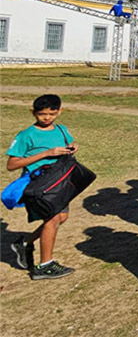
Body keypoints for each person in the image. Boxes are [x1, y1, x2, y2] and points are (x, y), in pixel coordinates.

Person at [6, 94, 79, 280]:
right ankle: (45, 266)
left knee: (61, 217)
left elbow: (67, 144)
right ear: (33, 113)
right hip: (39, 186)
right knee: (52, 220)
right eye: (42, 114)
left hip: (59, 182)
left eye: (52, 113)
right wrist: (46, 153)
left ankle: (24, 242)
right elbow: (12, 164)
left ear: (60, 111)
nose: (47, 118)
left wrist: (71, 147)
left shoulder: (62, 130)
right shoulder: (26, 135)